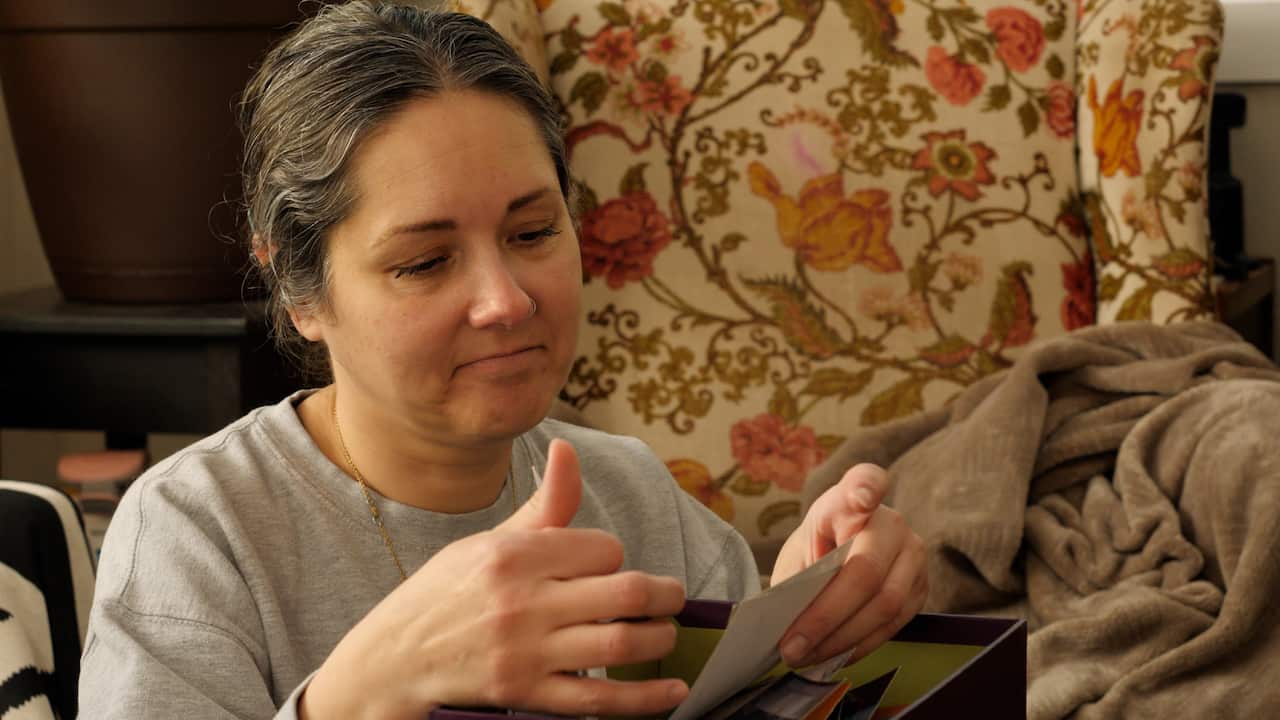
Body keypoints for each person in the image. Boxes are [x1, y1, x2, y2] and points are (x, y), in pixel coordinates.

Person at [77, 2, 927, 718]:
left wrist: (809, 625)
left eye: (533, 233)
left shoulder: (633, 497)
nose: (507, 301)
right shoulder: (197, 535)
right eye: (424, 262)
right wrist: (357, 695)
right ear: (301, 292)